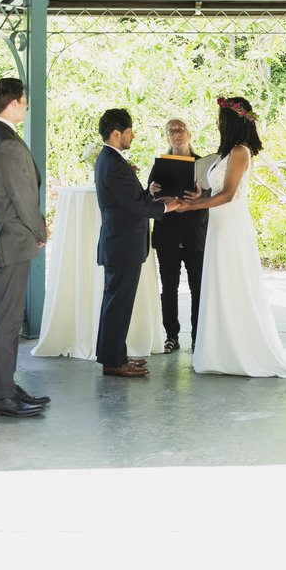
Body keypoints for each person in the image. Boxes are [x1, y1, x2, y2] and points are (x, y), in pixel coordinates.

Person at [172, 96, 286, 379]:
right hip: (218, 227)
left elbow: (229, 195)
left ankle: (241, 351)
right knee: (219, 286)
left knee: (234, 285)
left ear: (232, 122)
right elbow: (216, 191)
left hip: (232, 227)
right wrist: (200, 196)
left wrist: (192, 206)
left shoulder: (240, 151)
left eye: (221, 118)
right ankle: (220, 350)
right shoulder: (226, 153)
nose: (218, 122)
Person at [0, 77, 51, 418]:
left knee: (7, 319)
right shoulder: (5, 143)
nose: (26, 106)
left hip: (9, 238)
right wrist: (40, 230)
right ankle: (0, 396)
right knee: (7, 321)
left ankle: (5, 386)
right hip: (12, 240)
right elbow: (23, 198)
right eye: (24, 101)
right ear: (12, 103)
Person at [95, 107, 173, 377]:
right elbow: (133, 207)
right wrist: (167, 208)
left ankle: (114, 354)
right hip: (123, 244)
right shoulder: (113, 163)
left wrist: (147, 194)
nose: (133, 136)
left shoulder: (110, 159)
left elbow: (129, 199)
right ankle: (114, 363)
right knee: (118, 304)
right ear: (117, 133)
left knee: (116, 303)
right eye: (129, 131)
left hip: (121, 243)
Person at [147, 118, 210, 353]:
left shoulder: (202, 164)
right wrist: (151, 189)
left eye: (180, 129)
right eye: (171, 131)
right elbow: (149, 197)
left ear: (189, 133)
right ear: (167, 137)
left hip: (195, 233)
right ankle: (171, 336)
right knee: (169, 288)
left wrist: (201, 195)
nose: (176, 134)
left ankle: (197, 337)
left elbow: (212, 196)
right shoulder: (161, 164)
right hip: (168, 235)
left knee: (198, 289)